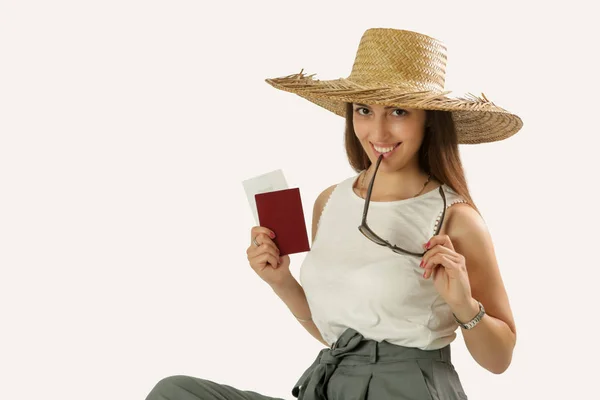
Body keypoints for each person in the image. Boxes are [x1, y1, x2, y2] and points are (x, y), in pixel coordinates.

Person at [145, 27, 522, 400]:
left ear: (428, 119)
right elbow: (337, 334)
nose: (378, 131)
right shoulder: (329, 202)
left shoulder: (455, 217)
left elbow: (499, 359)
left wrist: (463, 305)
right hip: (334, 386)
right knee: (174, 393)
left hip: (409, 388)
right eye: (364, 110)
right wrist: (282, 282)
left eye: (398, 111)